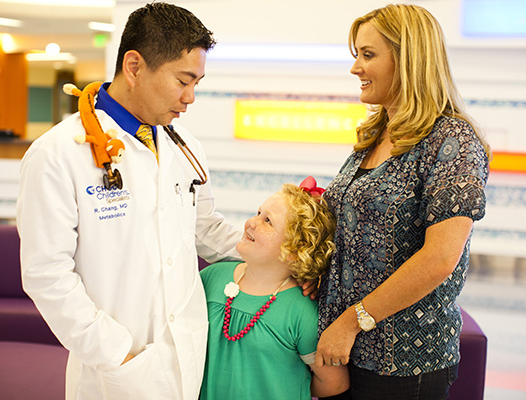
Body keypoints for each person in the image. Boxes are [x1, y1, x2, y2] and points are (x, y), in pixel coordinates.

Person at [16, 3, 242, 399]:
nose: (190, 98)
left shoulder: (184, 146)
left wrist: (281, 257)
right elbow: (46, 273)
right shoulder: (56, 153)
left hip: (187, 355)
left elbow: (205, 228)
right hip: (115, 367)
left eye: (197, 83)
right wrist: (118, 354)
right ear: (134, 67)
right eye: (182, 80)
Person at [315, 4, 490, 400]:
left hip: (403, 362)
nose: (355, 68)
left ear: (409, 59)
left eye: (368, 55)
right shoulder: (376, 134)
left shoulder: (452, 141)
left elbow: (439, 259)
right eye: (355, 55)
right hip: (346, 352)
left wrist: (352, 322)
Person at [199, 178, 350, 400]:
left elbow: (334, 382)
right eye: (258, 213)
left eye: (267, 221)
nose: (252, 222)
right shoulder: (210, 278)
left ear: (295, 250)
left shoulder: (300, 311)